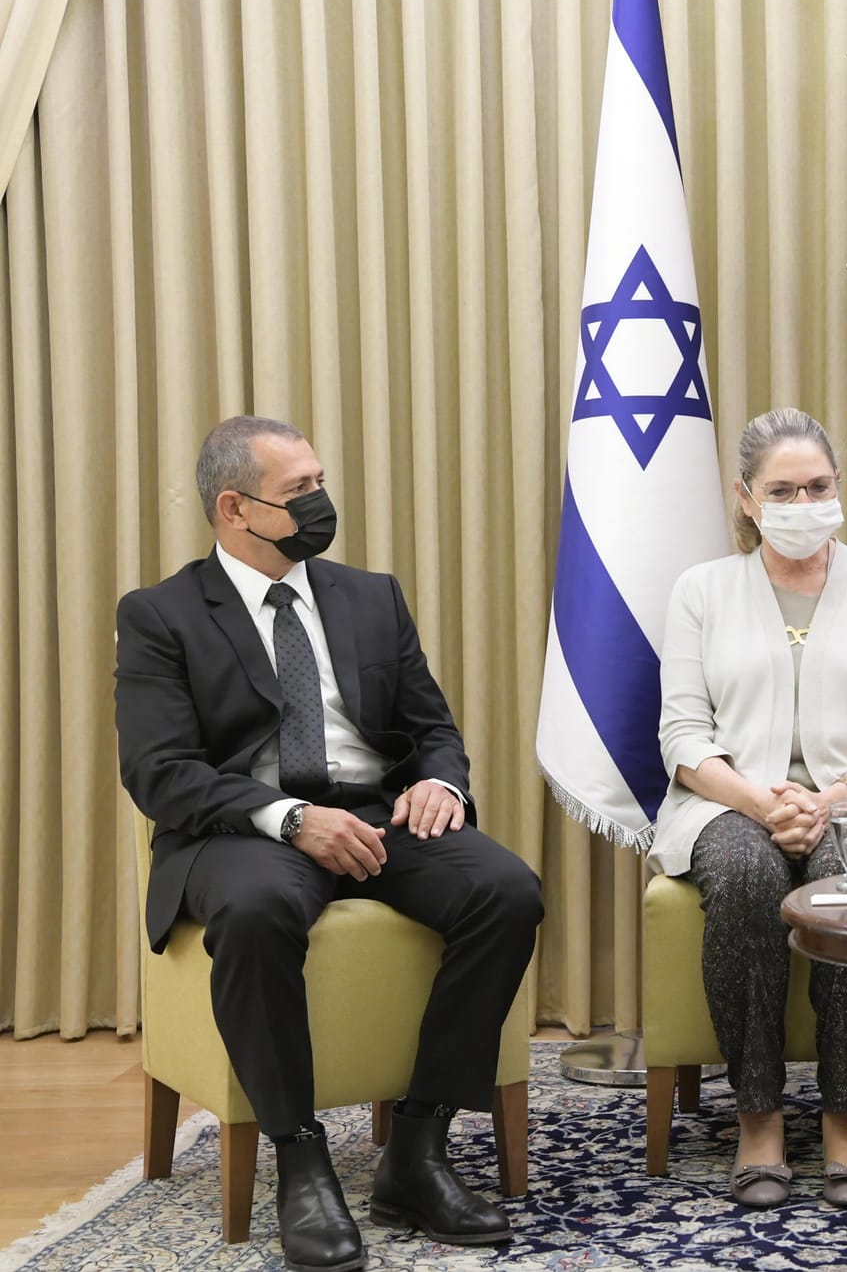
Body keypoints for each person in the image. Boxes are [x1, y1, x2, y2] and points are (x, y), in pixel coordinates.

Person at [114, 416, 544, 1272]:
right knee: (259, 905)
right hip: (247, 825)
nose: (321, 501)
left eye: (319, 480)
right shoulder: (161, 614)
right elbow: (160, 772)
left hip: (378, 814)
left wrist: (439, 783)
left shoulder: (370, 595)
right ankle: (301, 1162)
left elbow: (433, 729)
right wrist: (290, 818)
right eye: (299, 490)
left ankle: (416, 1153)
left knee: (507, 889)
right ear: (234, 508)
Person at [651, 407, 847, 1210]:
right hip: (731, 800)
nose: (803, 500)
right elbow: (681, 731)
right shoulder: (702, 590)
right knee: (746, 875)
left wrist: (834, 797)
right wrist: (762, 799)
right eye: (783, 489)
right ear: (746, 498)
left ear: (838, 486)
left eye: (818, 485)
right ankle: (760, 1114)